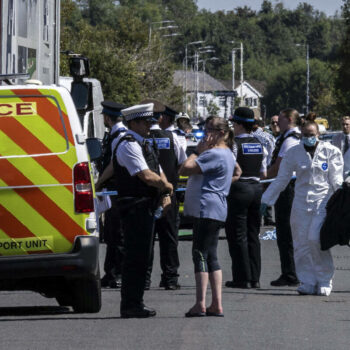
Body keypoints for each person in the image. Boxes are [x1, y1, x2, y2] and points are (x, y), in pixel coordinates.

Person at [261, 121, 343, 295]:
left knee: (315, 240)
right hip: (300, 204)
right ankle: (307, 281)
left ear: (318, 134)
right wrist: (266, 200)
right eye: (305, 135)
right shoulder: (293, 153)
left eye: (312, 134)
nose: (309, 138)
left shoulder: (331, 152)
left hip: (322, 203)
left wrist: (343, 205)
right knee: (300, 244)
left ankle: (324, 279)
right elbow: (282, 179)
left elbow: (336, 181)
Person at [114, 103, 173, 318]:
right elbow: (146, 176)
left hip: (146, 206)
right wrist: (168, 187)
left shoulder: (144, 143)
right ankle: (130, 304)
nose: (150, 126)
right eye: (146, 123)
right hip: (135, 206)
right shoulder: (128, 145)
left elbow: (158, 170)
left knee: (142, 256)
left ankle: (136, 301)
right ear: (134, 123)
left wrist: (165, 193)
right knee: (135, 257)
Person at [180, 117, 235, 317]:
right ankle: (216, 303)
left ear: (221, 133)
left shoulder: (213, 153)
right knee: (211, 255)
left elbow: (184, 168)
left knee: (200, 254)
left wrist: (197, 151)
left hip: (207, 206)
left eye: (210, 130)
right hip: (218, 207)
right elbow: (237, 171)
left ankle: (200, 303)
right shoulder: (228, 153)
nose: (206, 134)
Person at [142, 99, 187, 290]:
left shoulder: (139, 138)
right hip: (169, 193)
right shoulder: (173, 138)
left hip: (145, 195)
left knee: (146, 238)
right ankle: (170, 278)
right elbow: (181, 165)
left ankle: (144, 279)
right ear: (161, 117)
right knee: (169, 237)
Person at [225, 107, 267, 289]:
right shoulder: (259, 143)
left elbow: (231, 169)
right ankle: (255, 277)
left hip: (239, 188)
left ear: (239, 124)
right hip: (257, 188)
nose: (232, 126)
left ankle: (242, 278)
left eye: (234, 123)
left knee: (237, 235)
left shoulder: (234, 144)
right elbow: (263, 172)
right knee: (253, 234)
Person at [266, 108, 301, 287]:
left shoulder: (290, 141)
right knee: (287, 232)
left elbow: (277, 168)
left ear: (288, 119)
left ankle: (290, 273)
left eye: (279, 119)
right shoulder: (289, 138)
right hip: (289, 188)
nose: (277, 122)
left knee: (285, 232)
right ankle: (290, 271)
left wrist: (261, 177)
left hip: (288, 189)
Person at [95, 101, 127, 289]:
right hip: (111, 192)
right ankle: (111, 272)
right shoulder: (114, 135)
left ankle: (118, 273)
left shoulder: (119, 136)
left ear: (107, 118)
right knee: (111, 233)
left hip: (117, 190)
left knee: (118, 233)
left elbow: (113, 165)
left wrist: (99, 182)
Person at [252, 118, 276, 226]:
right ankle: (268, 217)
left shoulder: (251, 136)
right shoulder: (270, 136)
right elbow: (273, 151)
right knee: (267, 192)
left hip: (255, 167)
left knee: (257, 194)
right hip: (268, 166)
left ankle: (257, 217)